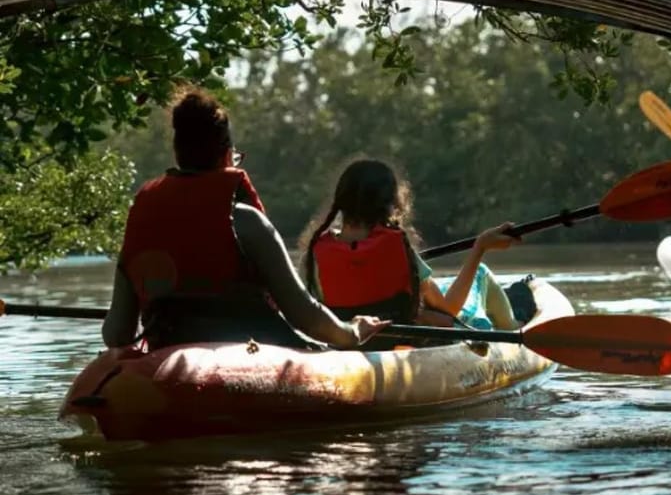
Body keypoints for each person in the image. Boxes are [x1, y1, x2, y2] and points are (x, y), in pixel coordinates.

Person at [102, 86, 386, 350]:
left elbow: (116, 335)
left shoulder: (144, 225)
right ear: (227, 156)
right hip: (248, 357)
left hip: (165, 359)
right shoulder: (247, 223)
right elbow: (305, 316)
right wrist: (353, 332)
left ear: (178, 154)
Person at [299, 158, 531, 346]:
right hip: (403, 342)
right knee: (479, 273)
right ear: (391, 203)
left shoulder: (316, 255)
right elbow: (449, 309)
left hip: (352, 345)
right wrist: (480, 247)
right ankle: (515, 327)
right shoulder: (397, 246)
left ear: (341, 202)